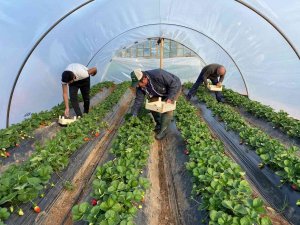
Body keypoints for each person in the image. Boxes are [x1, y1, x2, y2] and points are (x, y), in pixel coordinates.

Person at [130, 68, 181, 140]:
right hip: (158, 91)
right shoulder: (140, 88)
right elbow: (138, 100)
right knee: (152, 104)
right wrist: (134, 114)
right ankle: (159, 124)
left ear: (144, 79)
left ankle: (163, 130)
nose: (137, 86)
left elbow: (174, 84)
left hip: (173, 88)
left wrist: (170, 98)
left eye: (138, 83)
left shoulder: (158, 74)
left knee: (167, 108)